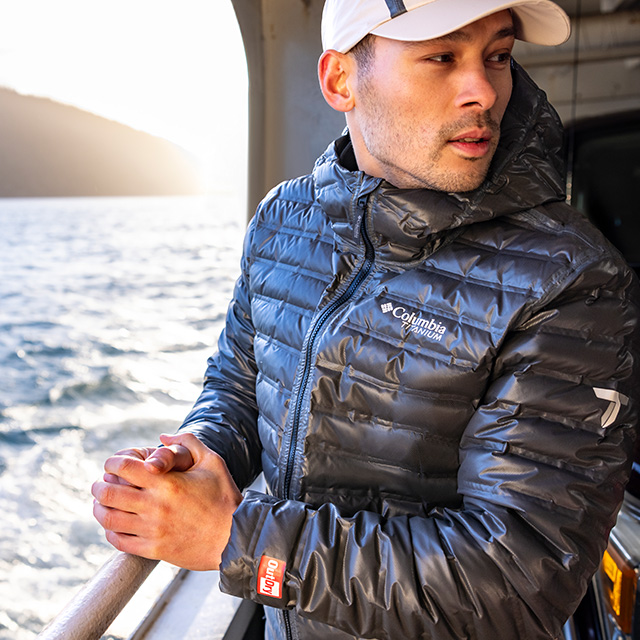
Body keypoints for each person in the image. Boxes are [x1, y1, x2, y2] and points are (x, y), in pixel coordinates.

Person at [92, 1, 640, 638]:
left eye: (497, 55)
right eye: (441, 56)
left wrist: (232, 540)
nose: (484, 91)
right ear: (339, 81)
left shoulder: (568, 278)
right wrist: (202, 448)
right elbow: (240, 382)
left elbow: (520, 581)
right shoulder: (283, 219)